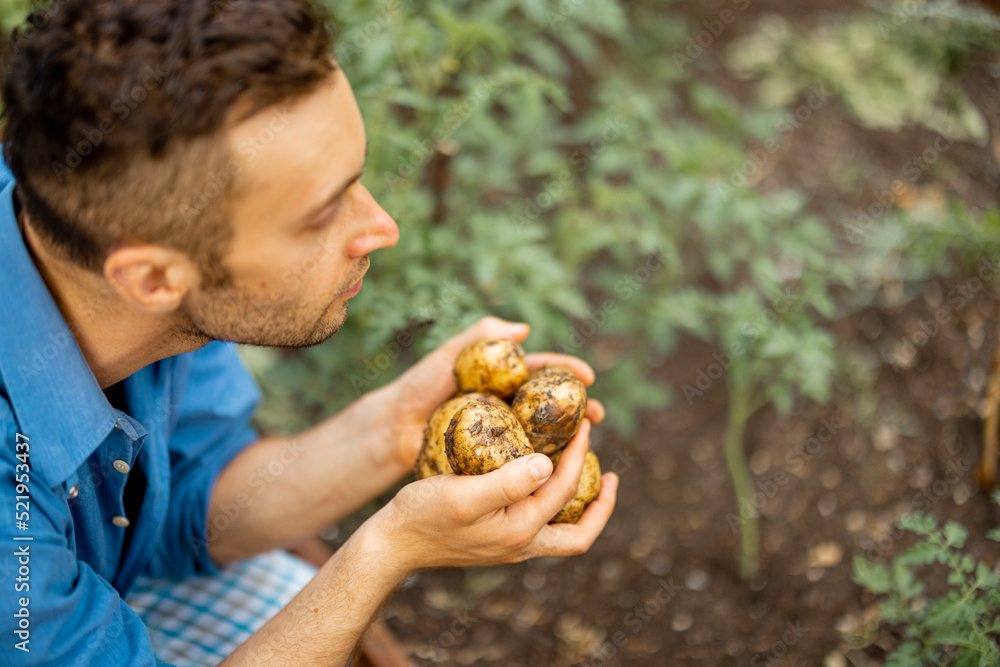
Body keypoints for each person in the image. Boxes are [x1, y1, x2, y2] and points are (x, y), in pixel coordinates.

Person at [0, 1, 619, 665]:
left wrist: (393, 430)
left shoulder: (129, 266)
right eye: (322, 215)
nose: (383, 226)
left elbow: (193, 502)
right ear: (152, 278)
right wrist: (386, 550)